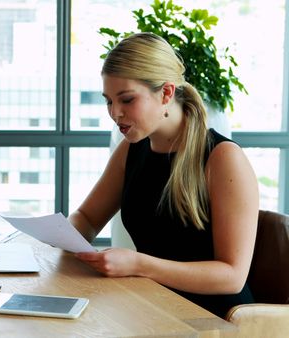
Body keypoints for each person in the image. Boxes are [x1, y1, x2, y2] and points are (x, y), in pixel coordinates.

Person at [69, 32, 259, 318]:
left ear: (166, 93)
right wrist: (60, 238)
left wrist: (138, 264)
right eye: (108, 101)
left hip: (215, 322)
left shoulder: (223, 158)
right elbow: (86, 218)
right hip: (154, 309)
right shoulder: (132, 149)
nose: (115, 113)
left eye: (127, 100)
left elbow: (232, 276)